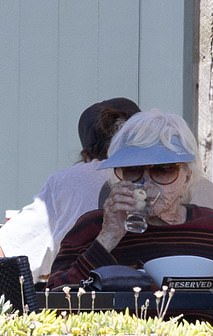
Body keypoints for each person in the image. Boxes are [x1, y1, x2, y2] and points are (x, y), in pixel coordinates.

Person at [47, 109, 213, 289]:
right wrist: (107, 238)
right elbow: (52, 298)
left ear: (187, 175)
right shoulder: (92, 227)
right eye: (133, 170)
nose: (146, 183)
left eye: (163, 170)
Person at [0, 97, 141, 282]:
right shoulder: (173, 173)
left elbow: (7, 249)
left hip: (83, 298)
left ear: (86, 154)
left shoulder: (69, 180)